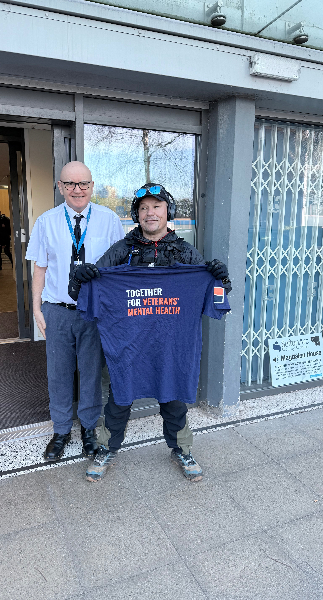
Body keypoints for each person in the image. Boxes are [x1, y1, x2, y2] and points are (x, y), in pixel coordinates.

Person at [68, 183, 232, 484]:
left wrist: (221, 278)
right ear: (137, 215)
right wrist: (80, 278)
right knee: (119, 397)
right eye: (143, 208)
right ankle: (106, 448)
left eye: (156, 206)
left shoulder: (185, 252)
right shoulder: (122, 250)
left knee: (173, 398)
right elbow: (83, 292)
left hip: (171, 345)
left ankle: (182, 449)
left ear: (168, 211)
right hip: (128, 344)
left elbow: (217, 295)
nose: (150, 213)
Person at [25, 161, 125, 462]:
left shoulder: (109, 220)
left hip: (95, 311)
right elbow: (40, 268)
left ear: (92, 186)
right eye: (70, 183)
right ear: (60, 187)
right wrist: (37, 309)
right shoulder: (46, 221)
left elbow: (119, 269)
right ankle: (61, 430)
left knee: (92, 373)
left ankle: (89, 429)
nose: (77, 189)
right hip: (57, 311)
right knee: (58, 373)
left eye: (83, 183)